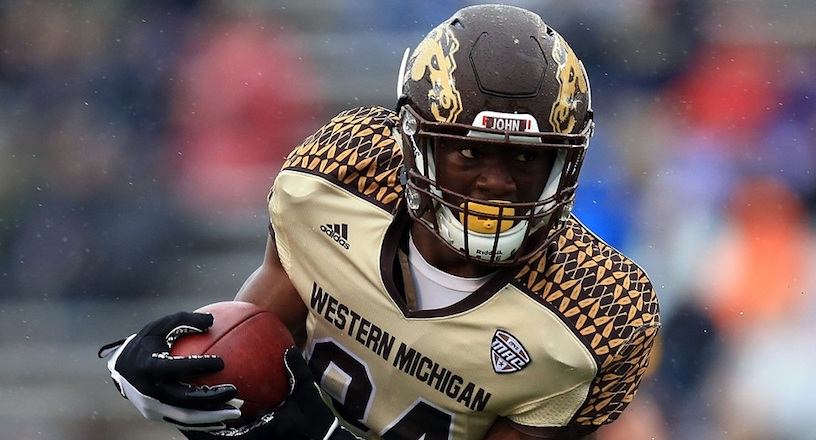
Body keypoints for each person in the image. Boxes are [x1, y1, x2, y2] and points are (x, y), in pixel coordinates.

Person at [100, 5, 661, 440]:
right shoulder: (341, 177)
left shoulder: (593, 311)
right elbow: (246, 346)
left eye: (524, 157)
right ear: (415, 144)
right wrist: (157, 377)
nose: (497, 182)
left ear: (564, 163)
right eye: (470, 152)